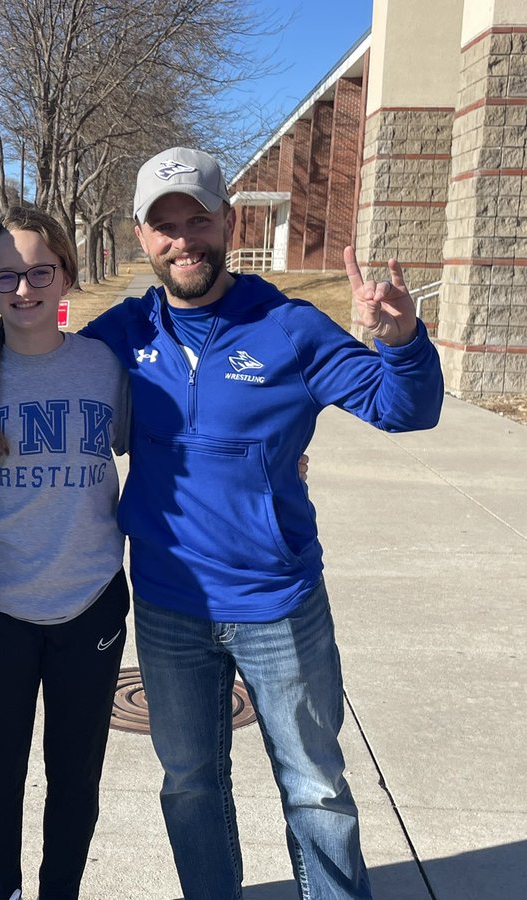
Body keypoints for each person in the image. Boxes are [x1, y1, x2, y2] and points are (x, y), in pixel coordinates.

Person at [81, 147, 445, 900]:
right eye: (165, 227)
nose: (184, 241)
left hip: (279, 603)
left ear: (228, 221)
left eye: (198, 220)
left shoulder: (290, 327)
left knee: (315, 785)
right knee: (189, 784)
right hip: (168, 602)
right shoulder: (122, 332)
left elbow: (406, 410)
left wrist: (403, 342)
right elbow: (30, 366)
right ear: (143, 239)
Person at [0, 208, 131, 900]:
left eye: (40, 272)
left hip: (90, 599)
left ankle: (62, 890)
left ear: (65, 274)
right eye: (7, 274)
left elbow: (172, 445)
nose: (24, 289)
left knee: (76, 773)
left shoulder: (103, 367)